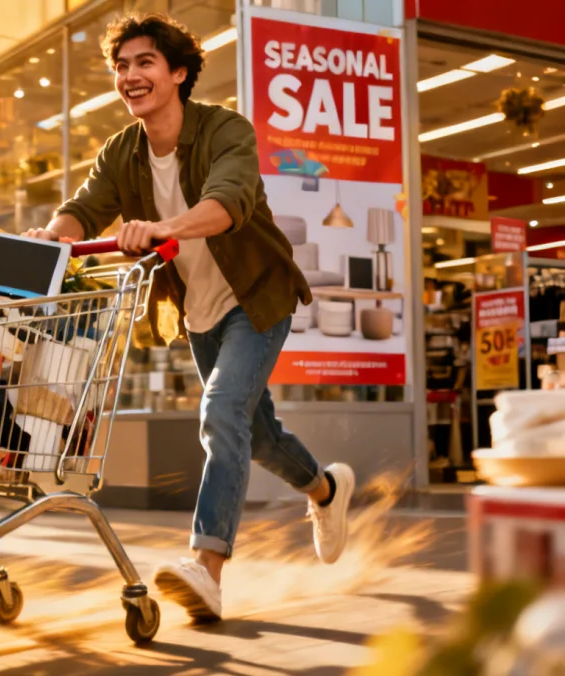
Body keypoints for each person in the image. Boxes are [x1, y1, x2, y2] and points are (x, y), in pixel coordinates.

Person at [25, 13, 356, 623]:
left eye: (144, 63)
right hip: (198, 312)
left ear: (178, 72)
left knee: (220, 412)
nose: (130, 76)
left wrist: (162, 228)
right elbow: (85, 206)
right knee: (255, 434)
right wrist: (52, 235)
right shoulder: (122, 151)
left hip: (256, 297)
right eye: (121, 66)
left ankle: (206, 568)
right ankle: (326, 489)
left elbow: (229, 200)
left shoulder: (226, 129)